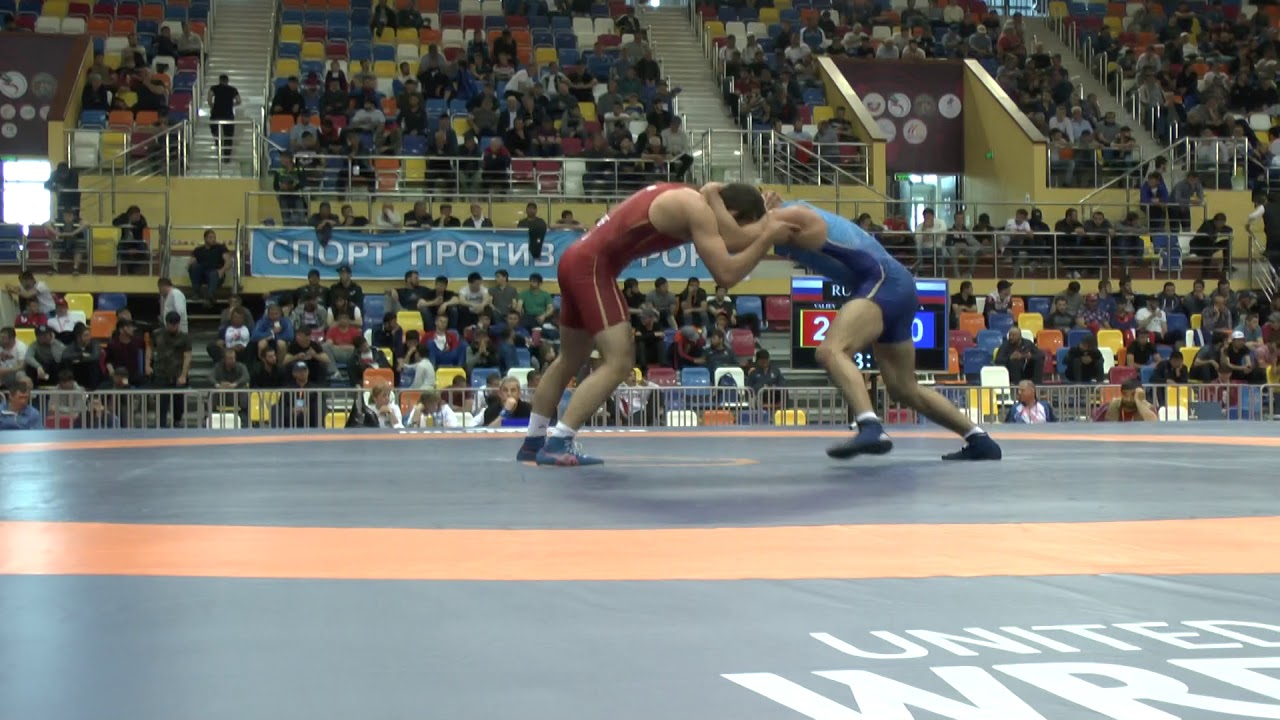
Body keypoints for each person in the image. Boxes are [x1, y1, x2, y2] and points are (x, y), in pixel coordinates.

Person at [517, 182, 797, 466]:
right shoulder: (697, 208)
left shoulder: (692, 196)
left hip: (575, 260)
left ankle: (533, 441)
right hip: (592, 268)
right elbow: (726, 273)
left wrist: (764, 220)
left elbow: (732, 236)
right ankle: (559, 441)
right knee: (619, 362)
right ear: (733, 213)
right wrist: (768, 233)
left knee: (569, 359)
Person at [763, 193, 1002, 460]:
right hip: (897, 284)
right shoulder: (782, 219)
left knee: (830, 351)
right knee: (903, 388)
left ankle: (870, 426)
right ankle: (979, 439)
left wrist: (726, 206)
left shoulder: (787, 217)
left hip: (882, 279)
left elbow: (735, 245)